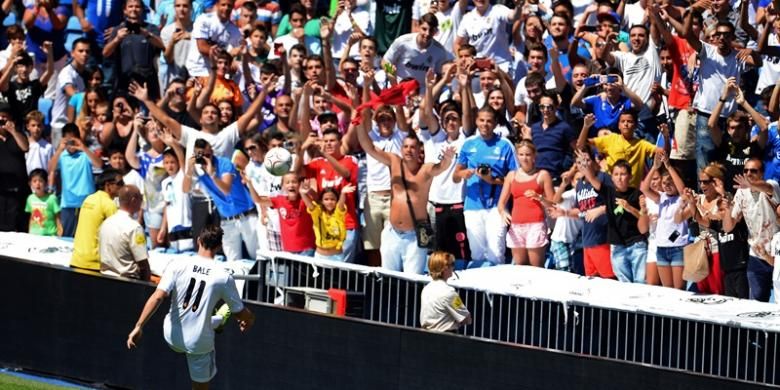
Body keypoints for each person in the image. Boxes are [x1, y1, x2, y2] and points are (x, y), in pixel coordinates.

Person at [127, 225, 255, 390]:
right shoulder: (223, 276)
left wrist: (138, 326)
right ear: (219, 246)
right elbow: (242, 314)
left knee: (206, 319)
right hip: (198, 342)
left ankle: (218, 319)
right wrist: (250, 320)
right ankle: (221, 318)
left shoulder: (177, 264)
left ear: (198, 241)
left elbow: (158, 296)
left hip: (171, 335)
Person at [356, 100, 455, 273]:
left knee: (412, 279)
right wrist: (357, 124)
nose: (408, 150)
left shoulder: (425, 170)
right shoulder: (394, 162)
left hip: (414, 236)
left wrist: (447, 158)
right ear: (401, 149)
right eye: (406, 147)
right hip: (392, 233)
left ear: (419, 151)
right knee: (388, 277)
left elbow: (441, 168)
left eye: (413, 147)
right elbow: (369, 147)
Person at [454, 107, 517, 265]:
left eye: (489, 121)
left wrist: (492, 179)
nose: (485, 124)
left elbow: (514, 179)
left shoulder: (505, 145)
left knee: (496, 252)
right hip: (472, 206)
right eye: (482, 120)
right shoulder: (468, 144)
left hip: (498, 206)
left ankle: (496, 290)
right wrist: (464, 174)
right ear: (476, 121)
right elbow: (455, 176)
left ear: (495, 123)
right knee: (477, 254)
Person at [722, 158, 780, 302]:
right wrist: (728, 209)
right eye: (745, 170)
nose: (748, 173)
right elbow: (728, 227)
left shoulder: (772, 185)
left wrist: (751, 184)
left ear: (762, 173)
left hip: (777, 253)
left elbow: (766, 188)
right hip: (756, 254)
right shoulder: (741, 193)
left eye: (753, 171)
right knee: (757, 303)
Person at [497, 140, 554, 267]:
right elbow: (501, 203)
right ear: (517, 156)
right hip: (516, 225)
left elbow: (552, 204)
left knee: (536, 267)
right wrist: (503, 212)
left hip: (536, 224)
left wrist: (539, 197)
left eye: (528, 154)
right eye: (521, 154)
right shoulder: (511, 175)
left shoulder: (542, 175)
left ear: (534, 156)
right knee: (520, 266)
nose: (525, 158)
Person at [640, 151, 689, 289]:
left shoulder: (682, 198)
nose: (666, 185)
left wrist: (668, 166)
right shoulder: (661, 197)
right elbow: (644, 187)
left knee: (679, 289)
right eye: (664, 182)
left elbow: (682, 189)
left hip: (678, 247)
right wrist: (655, 167)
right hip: (661, 248)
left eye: (670, 182)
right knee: (667, 290)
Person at [48, 124, 103, 237]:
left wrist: (83, 147)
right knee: (67, 235)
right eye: (68, 140)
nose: (71, 144)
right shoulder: (62, 155)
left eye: (73, 140)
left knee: (88, 235)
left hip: (87, 202)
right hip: (68, 203)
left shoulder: (85, 154)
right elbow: (50, 168)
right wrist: (59, 149)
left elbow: (99, 164)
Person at [70, 169, 123, 272]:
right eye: (120, 183)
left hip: (76, 259)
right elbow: (117, 236)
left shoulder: (88, 199)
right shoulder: (109, 204)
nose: (123, 187)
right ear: (108, 185)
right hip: (95, 264)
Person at [99, 184, 151, 280]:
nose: (142, 201)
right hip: (128, 281)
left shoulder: (106, 223)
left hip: (104, 278)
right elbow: (143, 263)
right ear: (133, 200)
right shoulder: (134, 228)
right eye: (141, 198)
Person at [300, 183, 355, 261]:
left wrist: (343, 193)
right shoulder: (318, 213)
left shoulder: (338, 213)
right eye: (326, 199)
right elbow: (309, 205)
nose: (329, 202)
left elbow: (341, 205)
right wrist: (303, 193)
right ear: (321, 201)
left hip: (337, 257)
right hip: (320, 257)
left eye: (332, 199)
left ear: (336, 201)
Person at [420, 251, 472, 332]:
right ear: (445, 268)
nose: (453, 268)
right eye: (452, 264)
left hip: (426, 334)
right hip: (446, 338)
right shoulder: (449, 292)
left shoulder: (426, 289)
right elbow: (466, 319)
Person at [0, 104, 30, 232]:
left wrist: (13, 131)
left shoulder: (18, 135)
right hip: (1, 189)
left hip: (18, 189)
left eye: (4, 118)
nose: (2, 121)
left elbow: (25, 147)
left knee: (16, 224)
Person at [25, 168, 61, 236]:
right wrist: (29, 232)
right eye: (34, 181)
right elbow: (31, 217)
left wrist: (59, 231)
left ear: (46, 183)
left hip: (50, 235)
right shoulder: (30, 198)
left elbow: (58, 217)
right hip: (34, 235)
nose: (37, 184)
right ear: (30, 183)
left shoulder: (52, 198)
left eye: (40, 181)